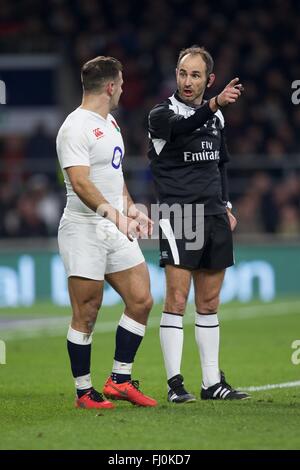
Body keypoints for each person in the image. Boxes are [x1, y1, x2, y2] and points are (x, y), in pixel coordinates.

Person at [148, 46, 250, 402]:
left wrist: (226, 205)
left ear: (209, 79)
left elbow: (220, 163)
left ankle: (211, 384)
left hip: (213, 214)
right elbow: (187, 125)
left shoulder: (217, 118)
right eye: (181, 73)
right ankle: (175, 385)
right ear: (175, 74)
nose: (187, 81)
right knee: (176, 299)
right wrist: (215, 103)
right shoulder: (161, 114)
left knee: (209, 302)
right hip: (179, 214)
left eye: (194, 75)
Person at [56, 56, 157, 409]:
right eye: (122, 84)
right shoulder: (74, 127)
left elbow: (114, 176)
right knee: (87, 310)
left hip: (114, 224)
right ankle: (84, 393)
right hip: (84, 228)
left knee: (142, 299)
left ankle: (119, 380)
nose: (124, 89)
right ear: (111, 86)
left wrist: (131, 208)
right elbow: (80, 182)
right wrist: (116, 216)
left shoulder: (110, 122)